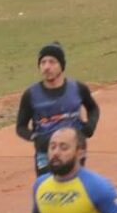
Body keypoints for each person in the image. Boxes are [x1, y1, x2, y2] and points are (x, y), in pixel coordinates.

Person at [16, 43, 100, 177]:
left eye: (52, 62)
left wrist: (89, 126)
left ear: (62, 65)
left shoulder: (78, 88)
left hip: (73, 151)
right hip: (45, 154)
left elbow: (93, 108)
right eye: (43, 63)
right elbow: (20, 127)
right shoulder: (31, 94)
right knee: (47, 192)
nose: (47, 67)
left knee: (73, 189)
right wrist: (36, 138)